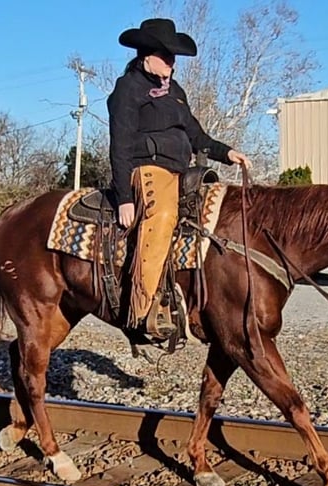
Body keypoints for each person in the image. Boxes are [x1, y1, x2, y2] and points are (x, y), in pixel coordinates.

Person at [107, 17, 250, 340]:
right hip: (148, 169)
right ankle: (142, 311)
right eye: (166, 55)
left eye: (174, 56)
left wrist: (227, 153)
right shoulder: (128, 88)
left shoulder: (176, 91)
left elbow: (197, 135)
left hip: (182, 171)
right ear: (147, 55)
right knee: (164, 216)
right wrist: (125, 198)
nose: (172, 62)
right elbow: (120, 143)